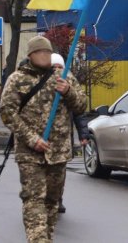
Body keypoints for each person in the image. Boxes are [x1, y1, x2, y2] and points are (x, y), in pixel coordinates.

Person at [0, 36, 87, 243]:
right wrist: (31, 139)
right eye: (40, 52)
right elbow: (7, 113)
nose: (45, 56)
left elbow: (82, 106)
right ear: (30, 55)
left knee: (52, 201)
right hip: (30, 153)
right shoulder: (17, 79)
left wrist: (68, 91)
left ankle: (46, 237)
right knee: (33, 199)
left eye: (47, 52)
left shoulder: (63, 77)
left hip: (58, 152)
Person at [50, 53, 89, 214]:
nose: (57, 71)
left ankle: (58, 199)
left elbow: (79, 112)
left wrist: (83, 135)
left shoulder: (69, 82)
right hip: (43, 137)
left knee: (59, 171)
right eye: (54, 67)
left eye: (60, 67)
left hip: (63, 138)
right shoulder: (42, 82)